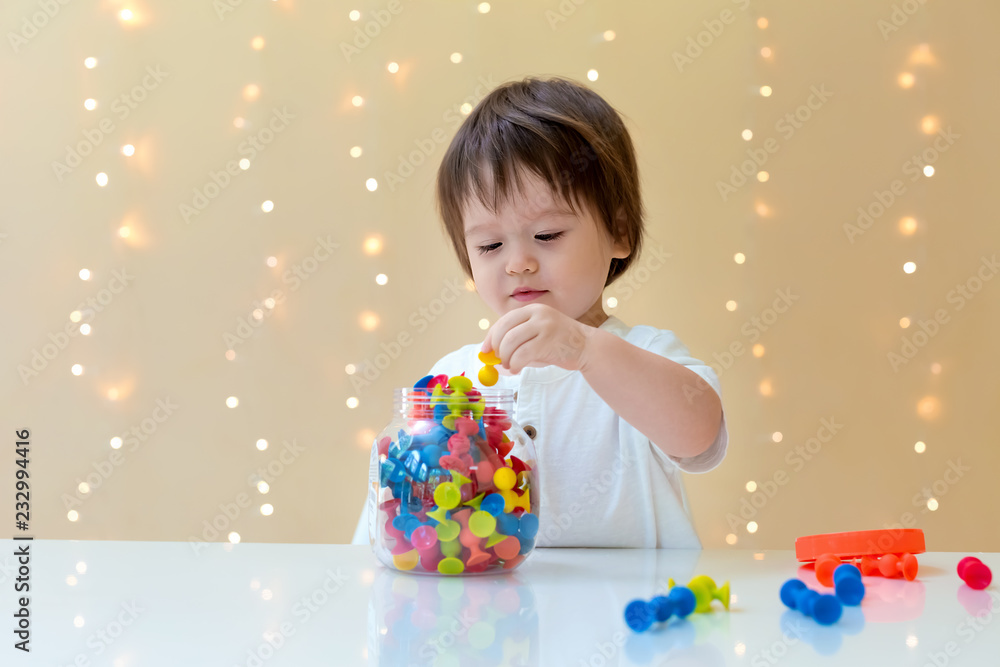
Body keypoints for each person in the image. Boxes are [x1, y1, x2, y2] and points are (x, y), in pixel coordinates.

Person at [353, 76, 727, 548]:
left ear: (618, 232)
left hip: (631, 615)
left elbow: (700, 438)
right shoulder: (454, 381)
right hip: (491, 618)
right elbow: (388, 522)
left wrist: (585, 350)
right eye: (489, 245)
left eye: (547, 235)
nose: (518, 263)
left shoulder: (641, 354)